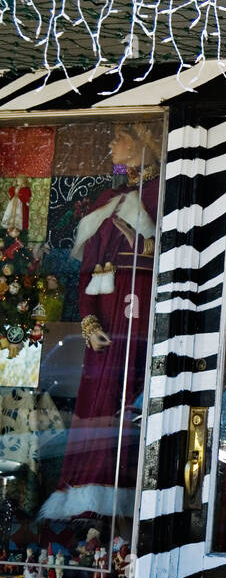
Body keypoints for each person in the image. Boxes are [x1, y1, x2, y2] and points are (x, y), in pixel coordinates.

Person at [39, 124, 162, 525]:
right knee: (97, 407)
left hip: (141, 319)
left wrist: (146, 245)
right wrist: (88, 322)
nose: (111, 144)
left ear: (143, 142)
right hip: (107, 323)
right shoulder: (108, 199)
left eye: (120, 137)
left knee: (131, 402)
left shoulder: (163, 195)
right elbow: (88, 270)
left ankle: (124, 499)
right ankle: (87, 499)